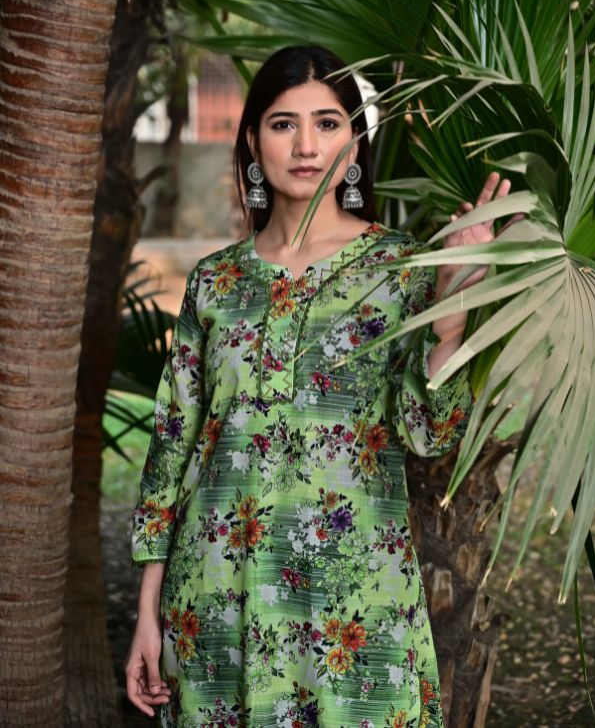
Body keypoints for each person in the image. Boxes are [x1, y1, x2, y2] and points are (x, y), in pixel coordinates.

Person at [125, 45, 511, 728]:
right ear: (252, 140)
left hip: (353, 612)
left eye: (328, 124)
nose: (307, 145)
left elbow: (428, 434)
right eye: (283, 124)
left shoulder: (403, 270)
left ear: (355, 142)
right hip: (217, 602)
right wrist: (147, 616)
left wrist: (449, 323)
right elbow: (172, 448)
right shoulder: (216, 282)